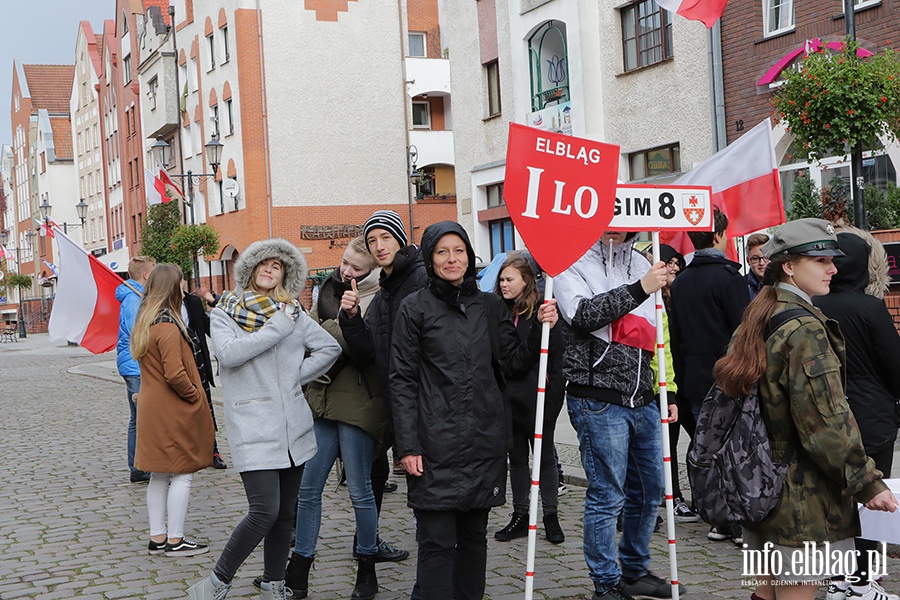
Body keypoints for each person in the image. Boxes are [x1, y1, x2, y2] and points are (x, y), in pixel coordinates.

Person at [713, 218, 898, 600]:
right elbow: (824, 419)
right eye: (820, 260)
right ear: (789, 266)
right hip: (799, 488)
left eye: (832, 259)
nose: (832, 268)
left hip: (761, 478)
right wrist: (865, 481)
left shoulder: (761, 312)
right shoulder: (804, 328)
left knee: (766, 591)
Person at [390, 221, 558, 600]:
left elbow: (514, 364)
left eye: (459, 251)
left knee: (473, 540)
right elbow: (401, 380)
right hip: (433, 446)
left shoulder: (489, 305)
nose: (452, 259)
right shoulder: (413, 308)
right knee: (435, 542)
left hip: (483, 443)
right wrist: (407, 446)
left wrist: (542, 329)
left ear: (469, 255)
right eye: (442, 252)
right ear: (431, 259)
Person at [188, 238, 341, 600]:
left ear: (286, 274)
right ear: (251, 270)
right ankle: (215, 584)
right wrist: (276, 328)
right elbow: (228, 354)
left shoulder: (292, 312)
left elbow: (329, 348)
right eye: (264, 264)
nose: (271, 269)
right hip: (253, 424)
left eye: (278, 265)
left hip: (293, 426)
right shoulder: (227, 311)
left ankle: (274, 585)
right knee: (264, 510)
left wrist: (294, 377)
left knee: (286, 513)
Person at [555, 230, 679, 600]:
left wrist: (667, 386)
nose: (614, 225)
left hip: (643, 396)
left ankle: (634, 569)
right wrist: (641, 287)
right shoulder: (569, 258)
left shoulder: (642, 260)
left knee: (650, 489)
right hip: (598, 397)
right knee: (608, 495)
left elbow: (660, 331)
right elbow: (582, 314)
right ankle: (606, 582)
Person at [286, 237, 385, 599]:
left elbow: (353, 347)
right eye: (345, 263)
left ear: (372, 271)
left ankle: (367, 565)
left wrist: (337, 327)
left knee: (360, 490)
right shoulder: (328, 289)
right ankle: (299, 568)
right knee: (309, 487)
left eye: (356, 268)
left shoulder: (379, 299)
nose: (346, 271)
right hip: (323, 399)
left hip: (359, 402)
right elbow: (307, 338)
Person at [813, 228, 900, 600]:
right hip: (871, 418)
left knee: (834, 500)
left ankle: (836, 578)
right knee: (873, 498)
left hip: (823, 417)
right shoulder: (870, 307)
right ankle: (865, 581)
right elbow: (894, 366)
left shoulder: (812, 306)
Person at [339, 209, 424, 563]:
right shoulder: (387, 284)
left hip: (419, 399)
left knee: (421, 478)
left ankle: (436, 556)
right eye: (372, 240)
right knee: (378, 471)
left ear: (400, 239)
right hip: (390, 396)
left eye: (385, 237)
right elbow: (369, 351)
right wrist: (352, 318)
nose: (378, 246)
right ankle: (367, 549)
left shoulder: (418, 279)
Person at [668, 207, 749, 544]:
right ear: (718, 235)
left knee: (709, 450)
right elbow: (745, 332)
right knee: (736, 452)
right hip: (730, 381)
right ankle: (739, 520)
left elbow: (676, 335)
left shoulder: (682, 281)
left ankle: (718, 519)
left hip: (696, 381)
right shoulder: (730, 278)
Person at [131, 264, 215, 557]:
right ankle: (175, 540)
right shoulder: (167, 327)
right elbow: (175, 374)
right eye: (180, 284)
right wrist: (194, 395)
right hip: (170, 407)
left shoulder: (147, 322)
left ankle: (158, 538)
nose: (184, 289)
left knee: (160, 475)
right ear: (171, 288)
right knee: (182, 472)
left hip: (153, 406)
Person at [492, 253, 565, 544]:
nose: (504, 284)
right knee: (517, 458)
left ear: (526, 281)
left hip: (537, 398)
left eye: (509, 279)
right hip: (509, 399)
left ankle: (550, 515)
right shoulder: (499, 311)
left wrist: (552, 402)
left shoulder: (543, 312)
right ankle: (521, 514)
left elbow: (556, 359)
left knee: (545, 457)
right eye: (501, 279)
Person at [655, 244, 697, 523]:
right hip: (664, 385)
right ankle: (674, 498)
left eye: (677, 262)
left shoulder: (683, 295)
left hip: (687, 381)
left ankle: (702, 495)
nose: (674, 268)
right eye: (668, 262)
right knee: (667, 446)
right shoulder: (652, 299)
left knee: (700, 440)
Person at [116, 255, 156, 483]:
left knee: (139, 418)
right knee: (142, 418)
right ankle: (140, 467)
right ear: (146, 275)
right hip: (135, 365)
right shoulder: (133, 299)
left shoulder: (136, 296)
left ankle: (139, 466)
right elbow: (136, 331)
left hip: (133, 363)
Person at [182, 282, 227, 469]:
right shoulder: (161, 305)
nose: (183, 284)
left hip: (198, 362)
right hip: (178, 365)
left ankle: (212, 451)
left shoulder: (192, 302)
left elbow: (208, 327)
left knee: (206, 407)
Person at [746, 233, 770, 300]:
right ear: (748, 261)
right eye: (755, 258)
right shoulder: (739, 286)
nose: (761, 263)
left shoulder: (781, 283)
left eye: (766, 257)